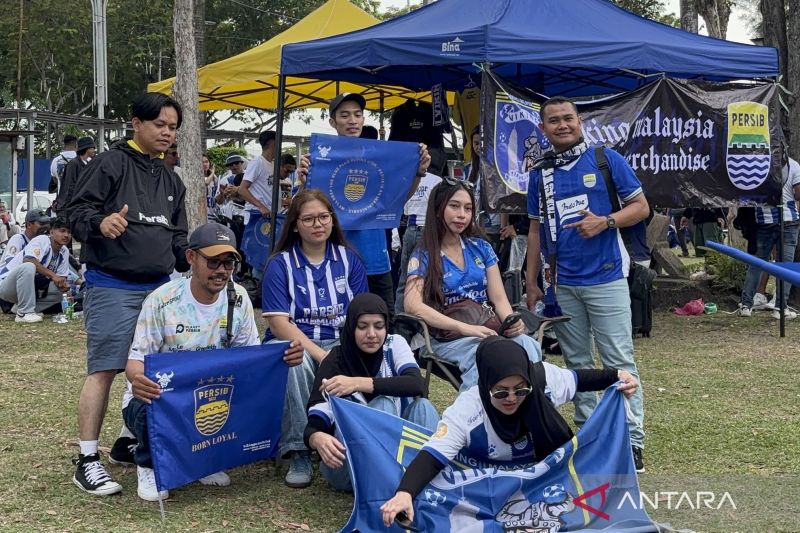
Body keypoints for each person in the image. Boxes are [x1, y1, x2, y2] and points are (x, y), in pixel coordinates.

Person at [121, 222, 303, 501]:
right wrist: (139, 382)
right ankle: (148, 464)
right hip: (169, 396)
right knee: (152, 404)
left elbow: (249, 359)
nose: (221, 271)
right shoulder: (162, 300)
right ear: (191, 257)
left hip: (211, 393)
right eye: (213, 261)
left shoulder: (238, 297)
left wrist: (282, 357)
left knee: (240, 395)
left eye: (228, 263)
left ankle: (204, 460)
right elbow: (134, 363)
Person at [67, 92, 189, 496]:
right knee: (105, 369)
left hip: (161, 289)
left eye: (173, 127)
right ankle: (87, 460)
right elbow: (73, 211)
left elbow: (178, 237)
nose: (167, 133)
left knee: (158, 371)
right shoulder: (110, 163)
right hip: (113, 284)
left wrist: (198, 258)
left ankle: (128, 441)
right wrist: (100, 223)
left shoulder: (172, 180)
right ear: (136, 123)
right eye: (160, 124)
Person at [380, 337, 639, 527]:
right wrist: (405, 493)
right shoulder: (467, 409)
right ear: (486, 384)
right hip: (487, 480)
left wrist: (618, 376)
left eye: (520, 389)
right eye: (501, 392)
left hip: (542, 479)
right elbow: (433, 455)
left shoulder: (542, 380)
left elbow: (580, 379)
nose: (512, 398)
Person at [524, 96, 649, 472]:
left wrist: (605, 222)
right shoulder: (540, 173)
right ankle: (590, 436)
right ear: (543, 128)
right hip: (561, 284)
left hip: (607, 277)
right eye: (554, 121)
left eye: (568, 118)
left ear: (580, 121)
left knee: (618, 360)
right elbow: (535, 229)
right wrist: (531, 280)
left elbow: (641, 207)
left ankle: (631, 441)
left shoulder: (605, 159)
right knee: (576, 364)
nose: (562, 125)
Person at [261, 188, 368, 489]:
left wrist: (343, 351)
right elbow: (279, 324)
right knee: (293, 359)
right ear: (295, 225)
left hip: (339, 340)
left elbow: (362, 312)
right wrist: (322, 356)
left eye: (324, 216)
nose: (317, 224)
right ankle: (299, 449)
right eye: (308, 219)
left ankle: (348, 442)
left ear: (333, 220)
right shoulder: (279, 264)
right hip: (295, 340)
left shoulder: (349, 259)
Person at [297, 93, 431, 327]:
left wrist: (418, 172)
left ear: (363, 119)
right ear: (332, 122)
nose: (352, 120)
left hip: (376, 259)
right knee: (344, 326)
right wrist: (303, 182)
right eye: (344, 115)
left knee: (383, 325)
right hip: (336, 259)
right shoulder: (318, 159)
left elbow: (396, 200)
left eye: (357, 115)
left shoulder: (379, 156)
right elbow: (302, 208)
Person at [404, 179, 541, 390]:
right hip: (447, 338)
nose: (462, 215)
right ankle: (476, 410)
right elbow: (412, 305)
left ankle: (539, 401)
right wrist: (466, 328)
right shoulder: (424, 254)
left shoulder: (482, 248)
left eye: (468, 209)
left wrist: (511, 323)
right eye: (454, 206)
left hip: (487, 329)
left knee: (527, 345)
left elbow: (499, 299)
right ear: (438, 209)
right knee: (483, 355)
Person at [304, 293, 439, 492]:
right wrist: (317, 438)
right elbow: (314, 424)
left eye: (379, 326)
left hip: (396, 455)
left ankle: (425, 480)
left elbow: (417, 385)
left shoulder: (393, 344)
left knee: (423, 407)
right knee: (382, 405)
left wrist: (357, 383)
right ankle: (384, 486)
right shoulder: (335, 361)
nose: (372, 334)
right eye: (362, 326)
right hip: (349, 468)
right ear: (351, 327)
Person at [738, 152, 800, 319]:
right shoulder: (793, 166)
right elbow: (798, 194)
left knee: (757, 263)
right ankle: (780, 308)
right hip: (788, 220)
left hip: (764, 220)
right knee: (785, 267)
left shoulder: (757, 165)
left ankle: (746, 305)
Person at [0, 216, 71, 323]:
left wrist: (63, 284)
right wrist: (53, 276)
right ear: (51, 232)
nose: (66, 235)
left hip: (29, 289)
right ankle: (24, 313)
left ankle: (20, 308)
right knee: (29, 266)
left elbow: (61, 277)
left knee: (60, 292)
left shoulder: (64, 251)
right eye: (62, 231)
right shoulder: (42, 239)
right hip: (7, 286)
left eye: (69, 232)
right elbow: (29, 260)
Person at [394, 170, 442, 315]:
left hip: (410, 229)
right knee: (431, 277)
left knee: (405, 278)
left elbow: (404, 208)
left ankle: (400, 318)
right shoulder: (437, 181)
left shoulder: (407, 178)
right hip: (428, 230)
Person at [55, 136, 96, 223]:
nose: (94, 150)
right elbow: (69, 187)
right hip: (68, 209)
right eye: (92, 148)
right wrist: (67, 208)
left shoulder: (87, 163)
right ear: (87, 149)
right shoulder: (73, 164)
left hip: (78, 207)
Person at [238, 130, 276, 222]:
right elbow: (242, 189)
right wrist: (261, 206)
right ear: (272, 143)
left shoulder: (273, 164)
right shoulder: (257, 163)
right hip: (256, 215)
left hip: (268, 216)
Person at [50, 134, 78, 206]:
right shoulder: (83, 160)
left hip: (62, 203)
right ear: (76, 144)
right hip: (78, 202)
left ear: (64, 144)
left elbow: (55, 180)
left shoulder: (55, 161)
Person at [203, 153, 220, 222]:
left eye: (206, 162)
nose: (205, 164)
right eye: (202, 162)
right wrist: (213, 172)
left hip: (213, 211)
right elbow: (206, 183)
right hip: (203, 213)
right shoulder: (197, 177)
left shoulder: (215, 178)